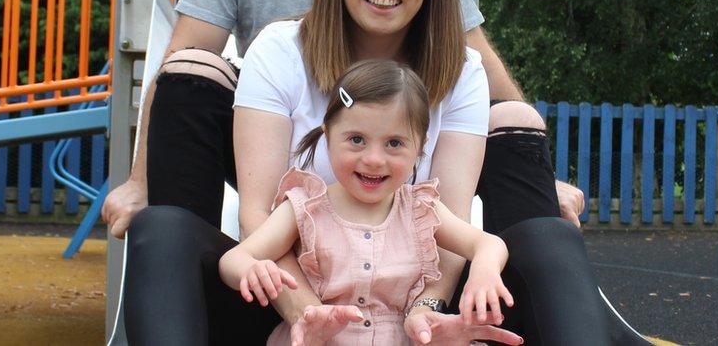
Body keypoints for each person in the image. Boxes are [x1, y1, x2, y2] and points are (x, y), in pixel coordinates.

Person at [108, 0, 651, 344]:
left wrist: (427, 312)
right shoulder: (278, 46)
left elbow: (452, 228)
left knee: (549, 237)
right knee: (164, 227)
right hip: (292, 296)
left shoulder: (459, 72)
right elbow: (256, 217)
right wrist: (309, 314)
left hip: (407, 306)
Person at [219, 59, 521, 346]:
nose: (374, 159)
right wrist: (252, 270)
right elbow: (233, 259)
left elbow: (489, 244)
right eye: (356, 139)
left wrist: (484, 270)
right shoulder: (305, 207)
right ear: (328, 137)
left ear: (419, 149)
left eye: (394, 143)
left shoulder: (420, 209)